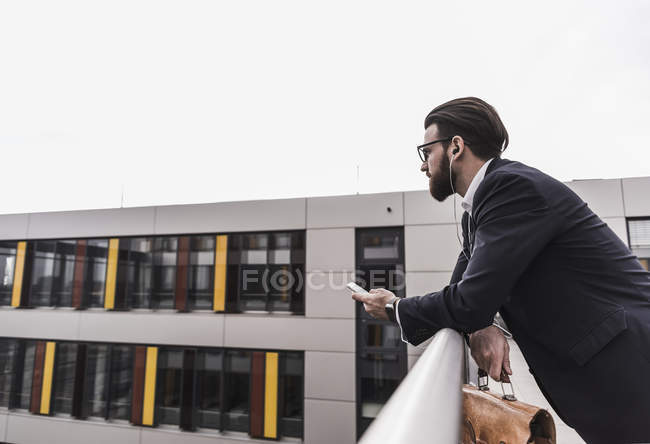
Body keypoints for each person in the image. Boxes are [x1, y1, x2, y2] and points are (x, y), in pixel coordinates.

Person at [352, 97, 650, 444]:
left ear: (456, 147)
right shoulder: (478, 211)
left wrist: (394, 308)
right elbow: (468, 293)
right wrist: (482, 323)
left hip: (630, 367)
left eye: (426, 151)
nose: (423, 165)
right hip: (608, 380)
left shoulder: (510, 187)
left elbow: (469, 300)